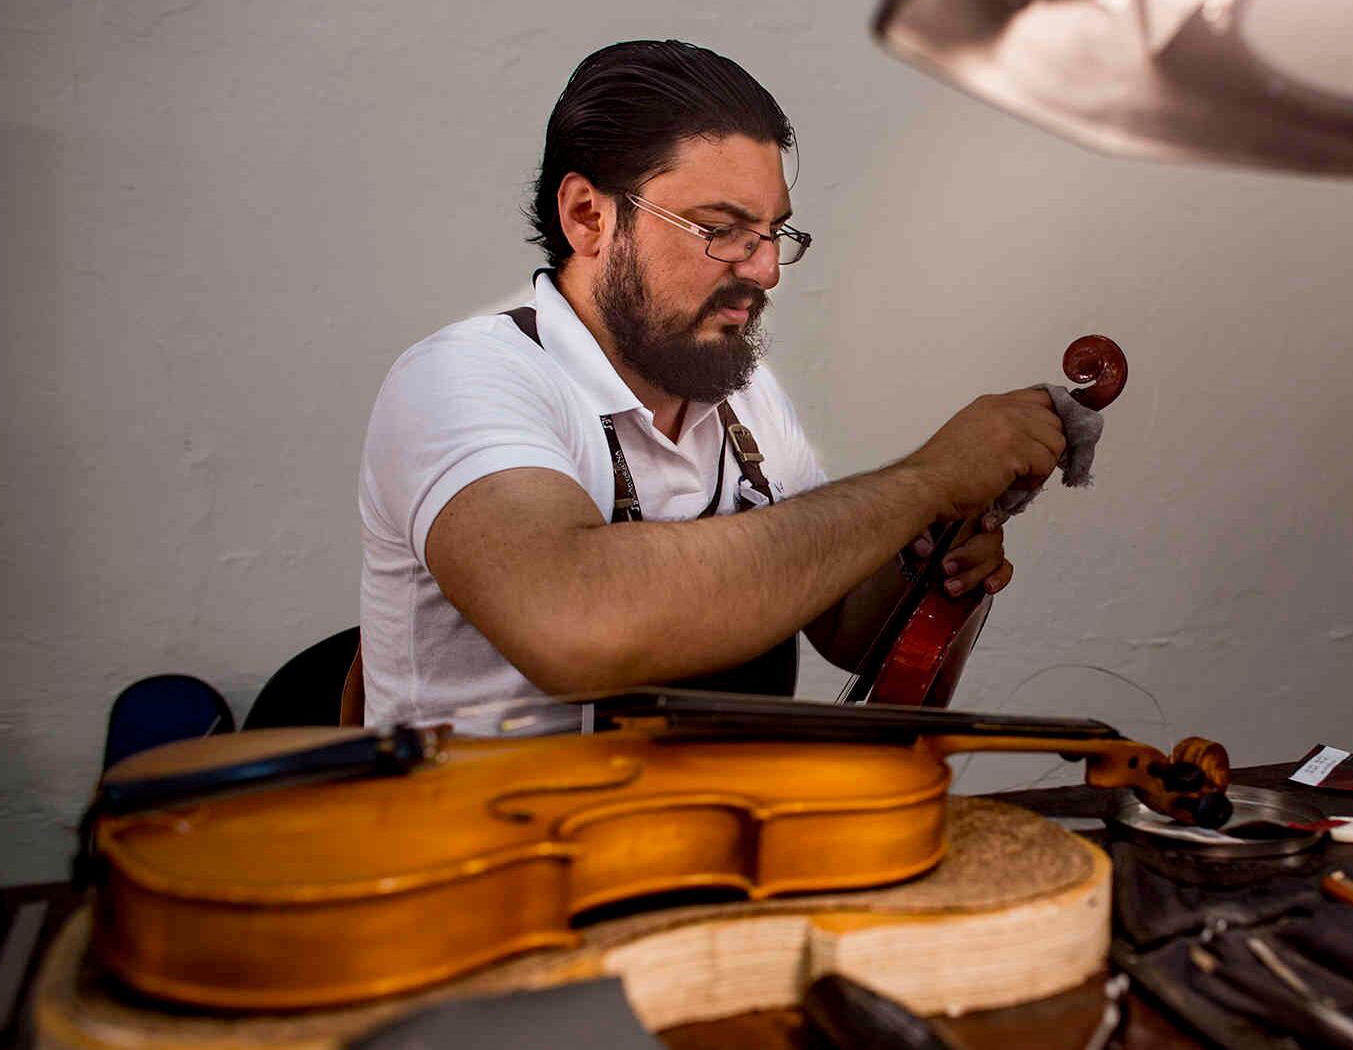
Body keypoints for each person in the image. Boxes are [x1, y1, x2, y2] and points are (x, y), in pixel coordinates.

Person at [358, 40, 1066, 725]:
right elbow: (572, 624)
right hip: (491, 841)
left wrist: (928, 554)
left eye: (772, 233)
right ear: (589, 216)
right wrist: (925, 480)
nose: (764, 271)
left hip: (705, 831)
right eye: (721, 230)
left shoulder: (743, 396)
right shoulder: (465, 380)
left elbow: (846, 626)